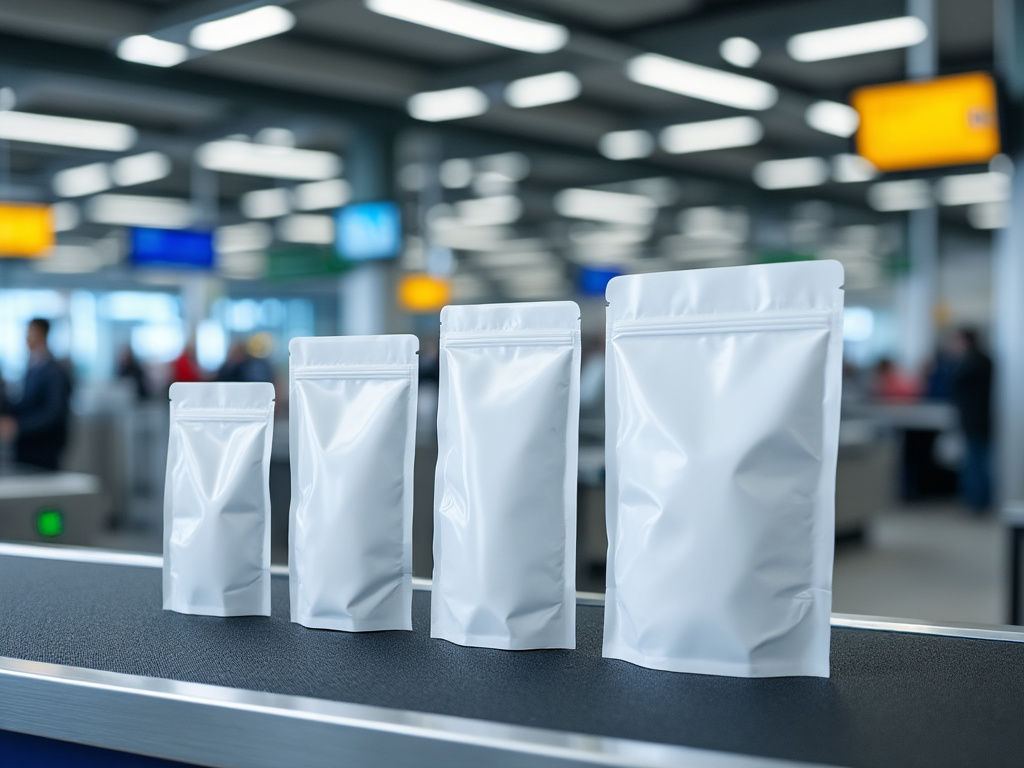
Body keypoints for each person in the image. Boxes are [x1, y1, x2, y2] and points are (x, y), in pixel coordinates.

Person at [0, 318, 72, 470]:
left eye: (30, 332)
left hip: (44, 448)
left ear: (42, 334)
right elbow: (26, 403)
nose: (26, 338)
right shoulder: (33, 367)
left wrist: (18, 427)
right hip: (28, 447)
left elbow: (54, 413)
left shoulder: (53, 371)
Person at [950, 327, 993, 512]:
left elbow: (954, 382)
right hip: (980, 419)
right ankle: (979, 500)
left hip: (974, 421)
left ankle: (975, 502)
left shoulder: (971, 362)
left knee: (974, 463)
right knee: (979, 462)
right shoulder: (984, 360)